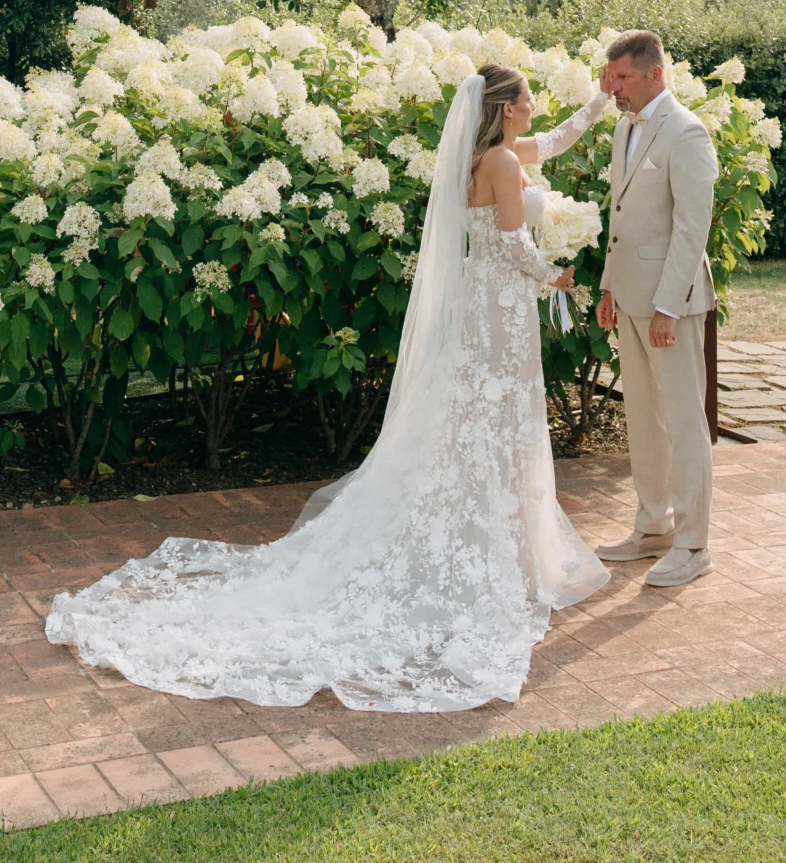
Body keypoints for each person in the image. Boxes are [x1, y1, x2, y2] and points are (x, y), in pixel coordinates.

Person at [43, 66, 612, 712]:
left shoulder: (490, 156)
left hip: (487, 304)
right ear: (505, 109)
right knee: (492, 419)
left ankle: (505, 544)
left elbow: (559, 141)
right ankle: (495, 553)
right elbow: (512, 242)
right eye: (529, 97)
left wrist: (598, 103)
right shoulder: (503, 163)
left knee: (480, 420)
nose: (537, 106)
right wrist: (555, 275)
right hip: (501, 303)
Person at [595, 27, 719, 587]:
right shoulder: (624, 126)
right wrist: (607, 287)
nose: (614, 87)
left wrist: (669, 306)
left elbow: (692, 231)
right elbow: (619, 218)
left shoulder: (687, 133)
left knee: (684, 422)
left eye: (622, 77)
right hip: (629, 298)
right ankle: (653, 527)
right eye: (612, 76)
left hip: (671, 304)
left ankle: (693, 544)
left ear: (655, 74)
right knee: (642, 418)